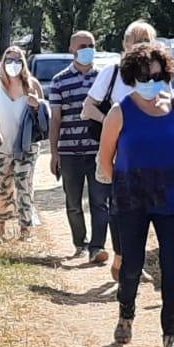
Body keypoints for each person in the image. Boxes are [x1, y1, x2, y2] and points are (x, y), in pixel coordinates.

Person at [96, 41, 174, 347]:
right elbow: (104, 160)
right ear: (132, 77)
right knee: (132, 264)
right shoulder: (120, 111)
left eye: (156, 75)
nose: (150, 81)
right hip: (132, 200)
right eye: (144, 75)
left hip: (170, 199)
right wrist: (125, 185)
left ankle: (172, 331)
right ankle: (125, 314)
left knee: (171, 266)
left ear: (165, 74)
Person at [84, 20, 159, 281]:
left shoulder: (159, 73)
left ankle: (131, 260)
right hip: (117, 152)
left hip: (149, 154)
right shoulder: (112, 73)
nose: (140, 47)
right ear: (125, 46)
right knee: (119, 205)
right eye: (135, 41)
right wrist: (114, 123)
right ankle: (122, 257)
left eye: (145, 41)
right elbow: (88, 107)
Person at [49, 31, 111, 263]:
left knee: (99, 201)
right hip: (69, 151)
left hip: (98, 150)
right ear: (72, 49)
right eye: (83, 45)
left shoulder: (103, 79)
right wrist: (54, 153)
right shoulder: (59, 80)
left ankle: (98, 246)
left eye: (92, 45)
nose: (88, 49)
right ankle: (80, 242)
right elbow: (56, 119)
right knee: (73, 202)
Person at [0, 45, 46, 241]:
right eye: (9, 60)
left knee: (24, 185)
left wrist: (37, 105)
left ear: (24, 63)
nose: (13, 64)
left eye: (17, 60)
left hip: (26, 146)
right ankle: (1, 225)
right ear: (2, 63)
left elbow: (43, 117)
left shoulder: (32, 84)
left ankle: (25, 229)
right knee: (2, 188)